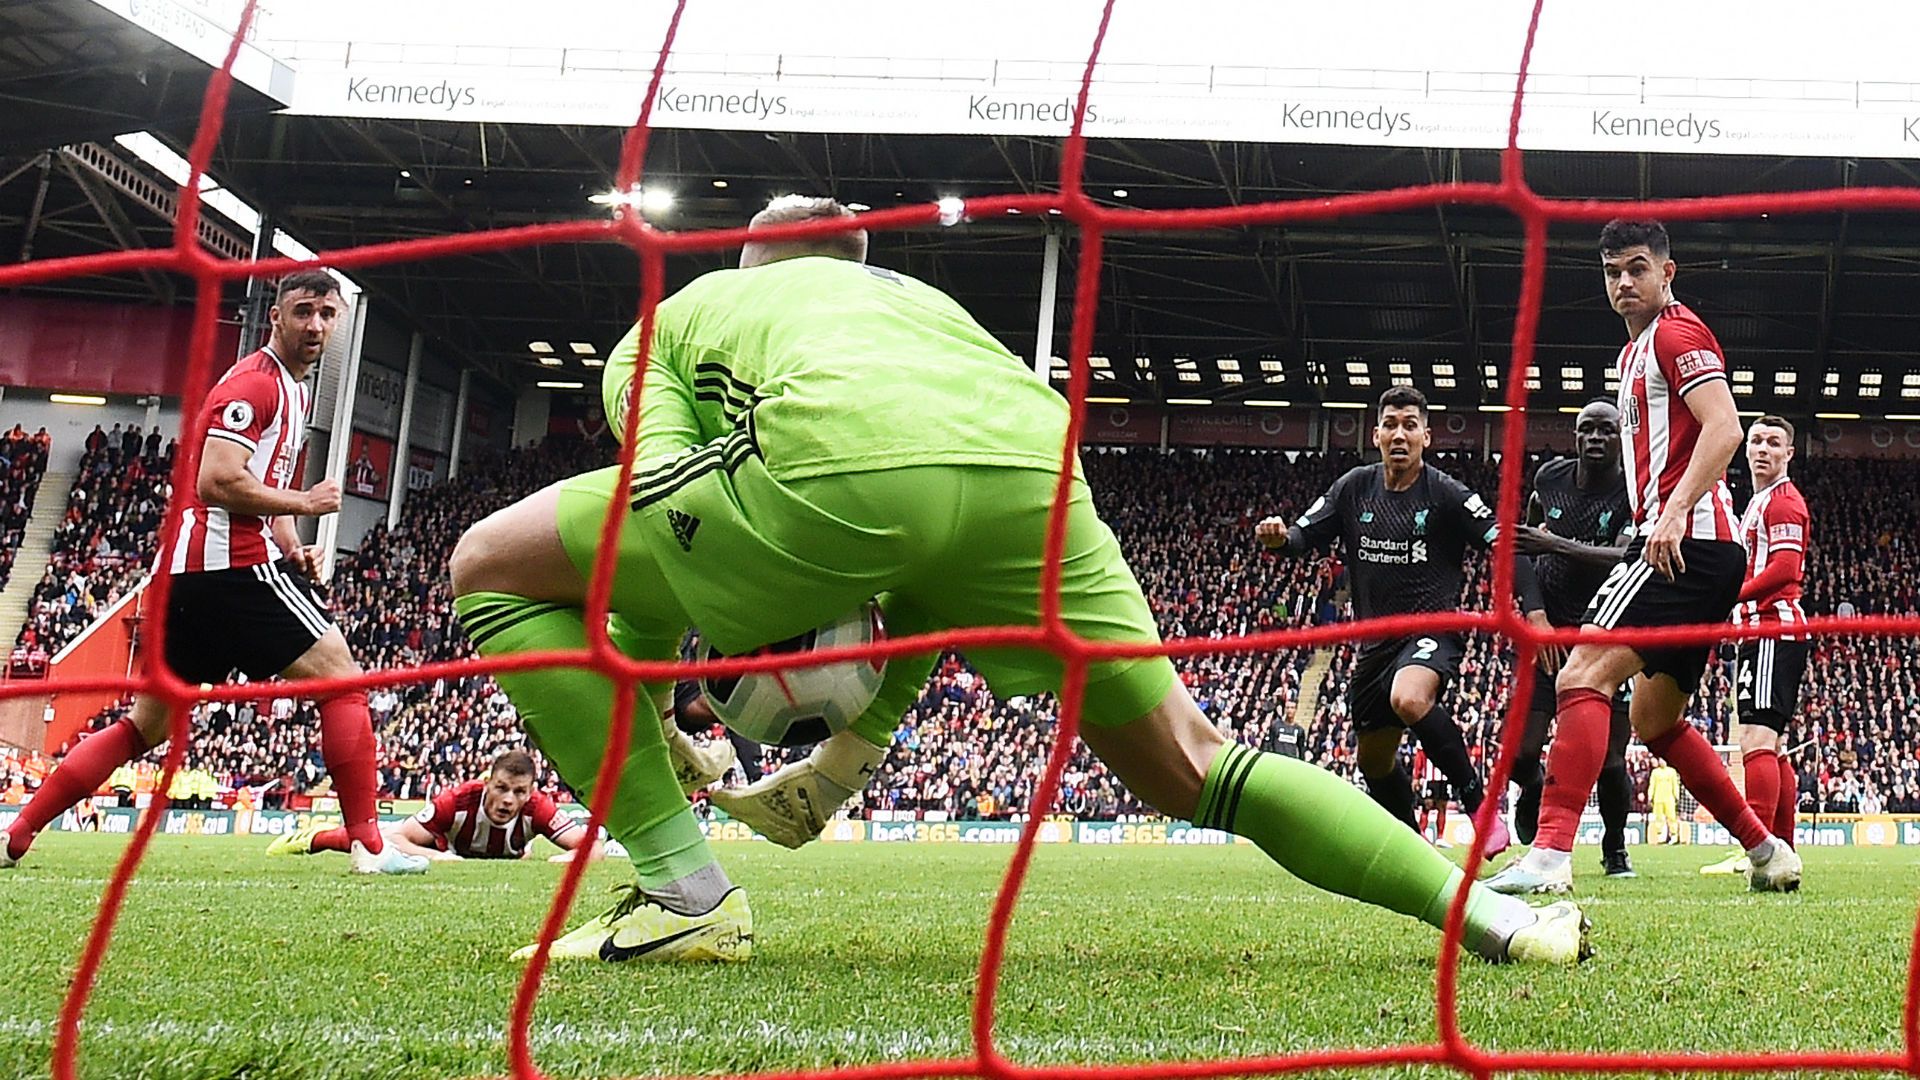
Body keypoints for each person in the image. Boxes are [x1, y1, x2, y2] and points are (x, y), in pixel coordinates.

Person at [449, 195, 1589, 966]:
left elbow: (654, 494)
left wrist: (660, 695)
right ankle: (1495, 921)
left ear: (750, 260)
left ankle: (683, 894)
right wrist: (846, 758)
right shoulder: (929, 312)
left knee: (490, 566)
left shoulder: (688, 313)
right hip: (1039, 474)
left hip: (826, 473)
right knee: (1201, 764)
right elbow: (934, 563)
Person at [0, 270, 427, 876]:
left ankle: (17, 831)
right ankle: (369, 847)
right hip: (229, 568)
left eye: (328, 315)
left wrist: (292, 544)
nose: (316, 325)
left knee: (144, 725)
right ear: (275, 317)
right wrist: (305, 505)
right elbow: (218, 482)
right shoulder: (256, 385)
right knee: (344, 682)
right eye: (304, 311)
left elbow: (262, 485)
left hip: (185, 577)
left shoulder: (291, 389)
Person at [1486, 219, 1800, 896]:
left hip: (1685, 544)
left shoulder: (1677, 334)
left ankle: (1547, 855)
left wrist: (1676, 510)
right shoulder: (1632, 355)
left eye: (1636, 268)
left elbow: (1725, 426)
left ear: (1667, 273)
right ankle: (1767, 850)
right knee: (1653, 720)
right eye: (1611, 273)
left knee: (1579, 676)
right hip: (1696, 549)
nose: (1623, 283)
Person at [1253, 385, 1533, 858]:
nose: (1399, 435)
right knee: (1374, 761)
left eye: (1409, 425)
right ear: (1376, 434)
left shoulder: (1446, 494)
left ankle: (1480, 807)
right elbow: (1302, 536)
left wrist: (1535, 611)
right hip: (1375, 645)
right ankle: (1412, 849)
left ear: (1427, 436)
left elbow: (1505, 542)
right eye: (1390, 425)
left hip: (1431, 630)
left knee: (1409, 697)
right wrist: (1278, 537)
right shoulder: (1353, 488)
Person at [1508, 400, 1637, 879]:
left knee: (1609, 759)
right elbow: (1521, 545)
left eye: (1606, 430)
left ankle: (1615, 847)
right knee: (1521, 752)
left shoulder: (1632, 491)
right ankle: (1534, 787)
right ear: (1575, 436)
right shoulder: (1549, 479)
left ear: (1620, 438)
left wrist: (1554, 544)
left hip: (1606, 629)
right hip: (1550, 633)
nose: (1595, 439)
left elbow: (1626, 557)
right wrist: (1535, 614)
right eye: (1587, 431)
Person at [1701, 415, 1810, 876]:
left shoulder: (1783, 504)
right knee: (1774, 745)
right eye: (1757, 441)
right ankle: (1780, 846)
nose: (1762, 449)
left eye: (1774, 443)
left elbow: (1786, 569)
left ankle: (1758, 849)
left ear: (1789, 453)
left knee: (1756, 739)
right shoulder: (1758, 502)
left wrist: (1730, 597)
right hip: (1760, 632)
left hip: (1771, 628)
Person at [268, 749, 602, 863]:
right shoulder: (457, 801)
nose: (508, 799)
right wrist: (441, 858)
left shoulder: (537, 808)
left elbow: (592, 847)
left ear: (530, 793)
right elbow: (400, 838)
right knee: (379, 841)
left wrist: (566, 859)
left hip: (481, 853)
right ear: (488, 783)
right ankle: (315, 838)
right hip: (445, 844)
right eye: (501, 788)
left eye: (518, 792)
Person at [1647, 758, 1681, 843]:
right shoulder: (1655, 772)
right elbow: (1652, 785)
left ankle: (1673, 835)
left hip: (1669, 798)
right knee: (1659, 817)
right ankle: (1660, 835)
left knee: (1671, 817)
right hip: (1658, 798)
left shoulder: (1672, 771)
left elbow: (1675, 785)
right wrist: (1650, 796)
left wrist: (1677, 796)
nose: (1662, 762)